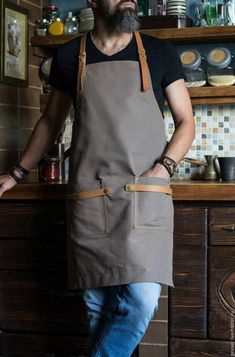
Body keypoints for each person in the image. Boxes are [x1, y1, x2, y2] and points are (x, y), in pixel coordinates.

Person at [0, 0, 195, 355]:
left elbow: (186, 122)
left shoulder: (160, 52)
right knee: (97, 308)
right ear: (92, 1)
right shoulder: (69, 56)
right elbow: (50, 121)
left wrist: (162, 167)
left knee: (141, 299)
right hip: (91, 195)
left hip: (143, 194)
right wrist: (17, 172)